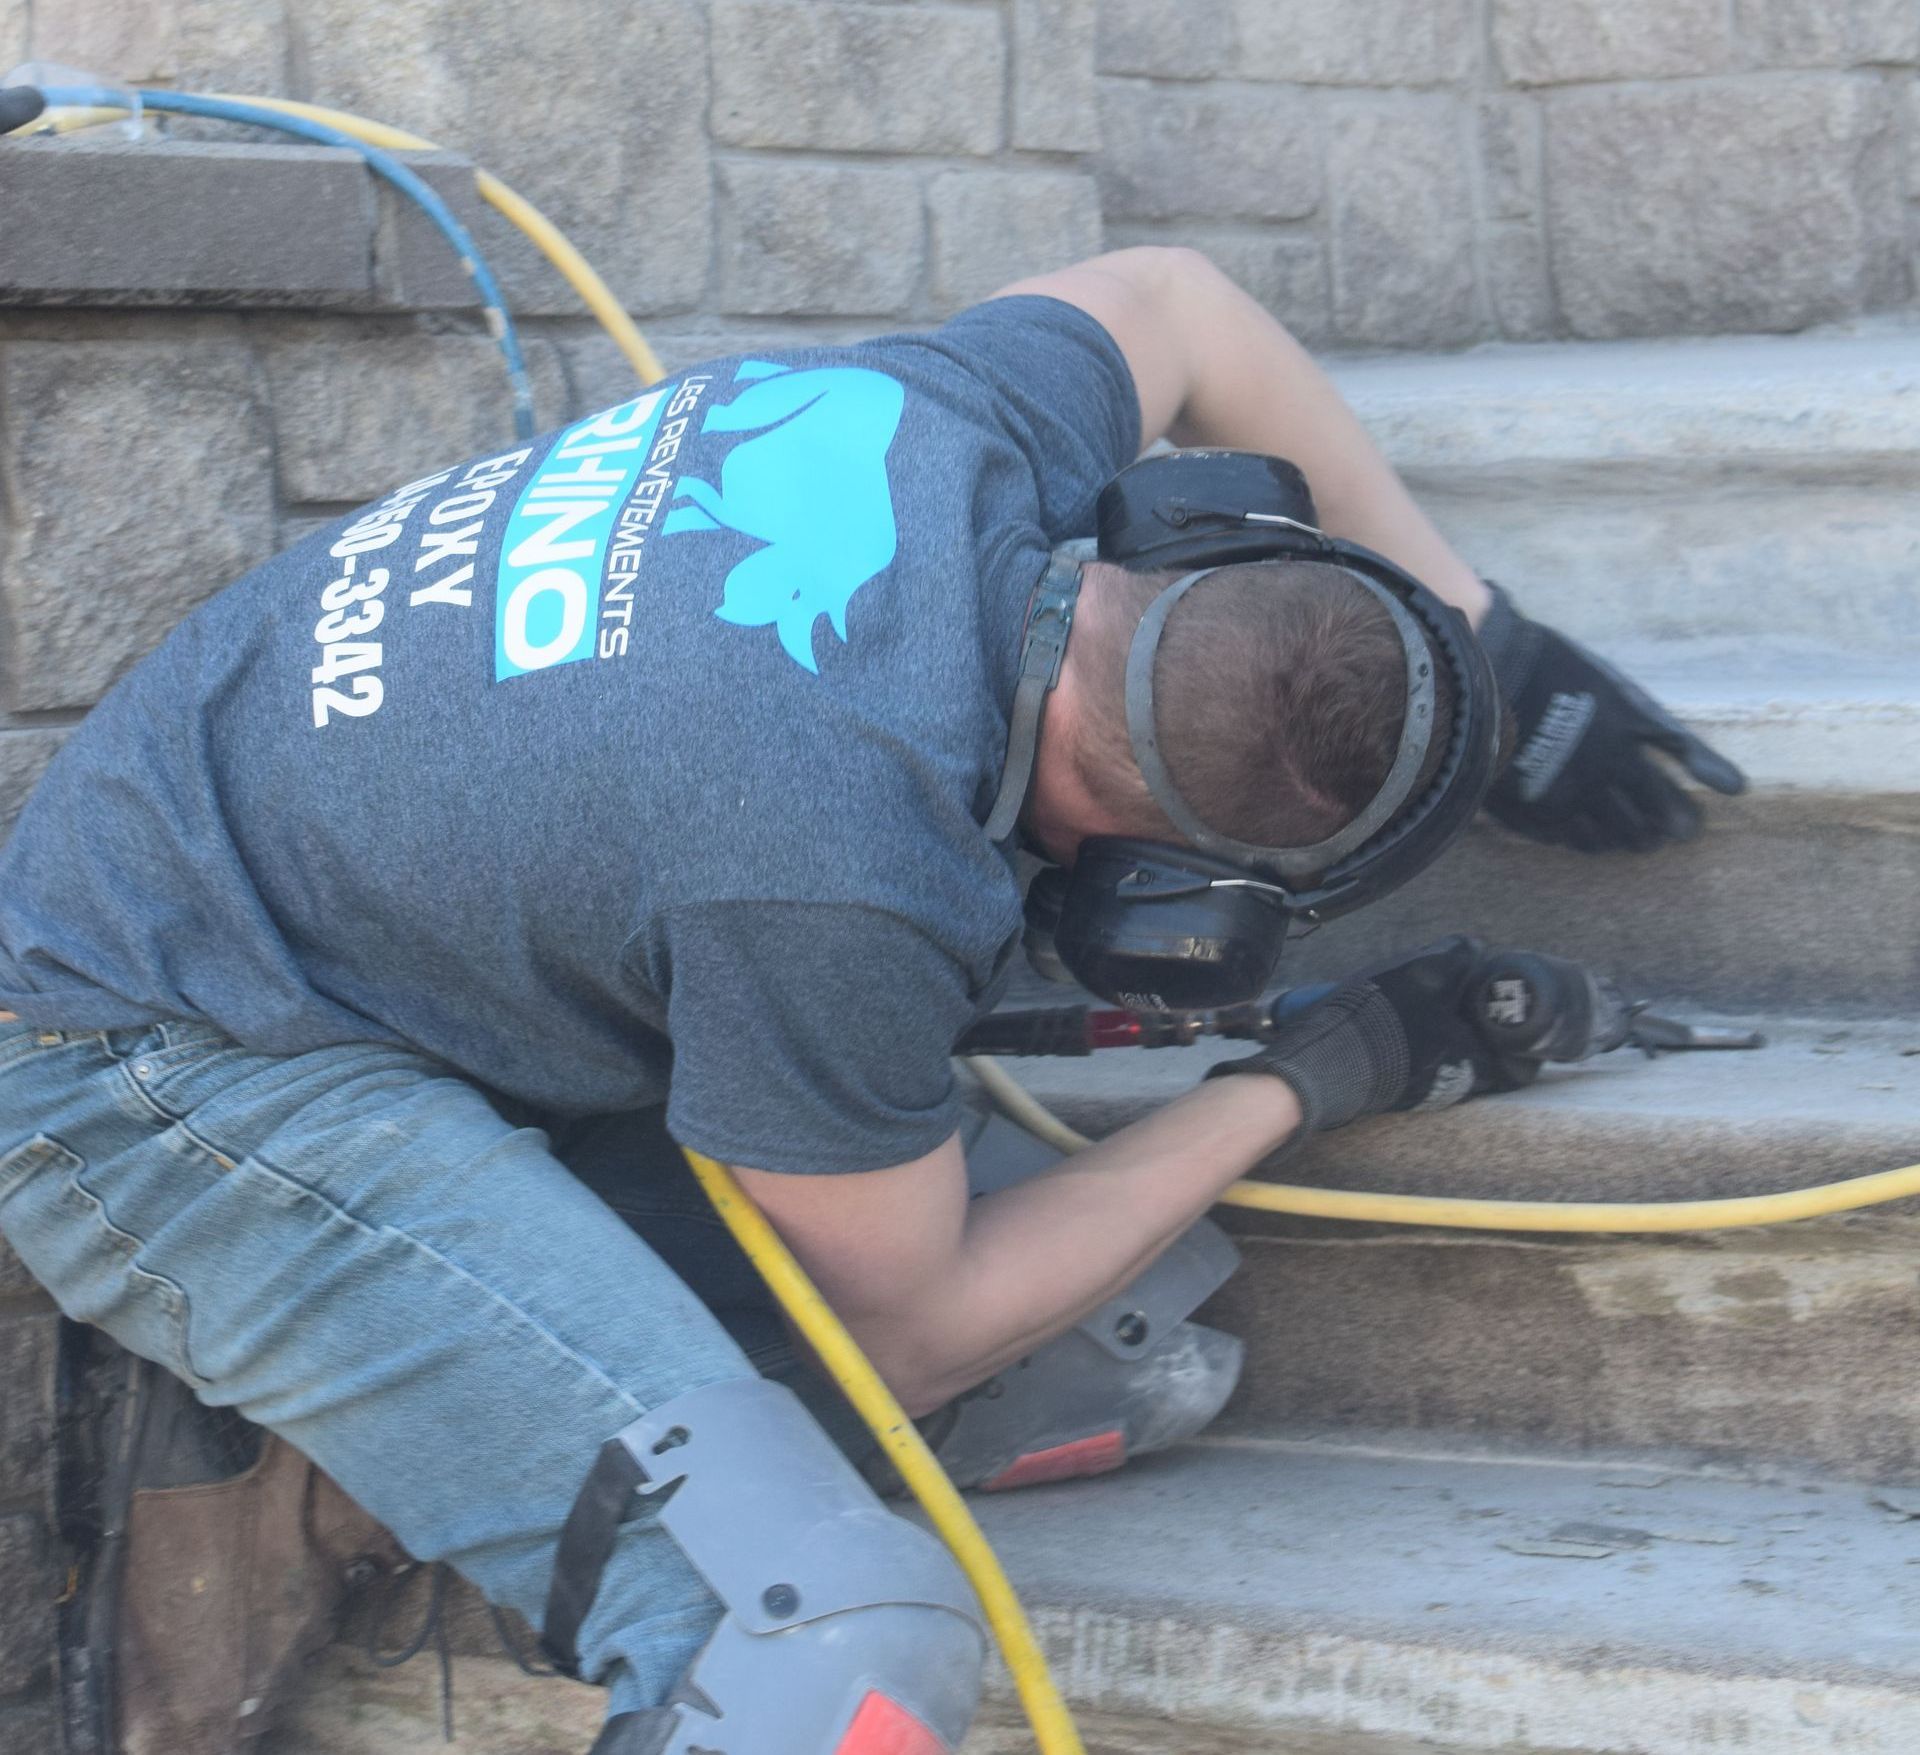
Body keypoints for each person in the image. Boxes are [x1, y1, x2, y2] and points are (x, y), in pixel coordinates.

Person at [0, 248, 1742, 1754]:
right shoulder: (839, 871)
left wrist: (1471, 633)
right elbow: (902, 1324)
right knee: (829, 1641)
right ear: (1171, 903)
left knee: (1106, 1361)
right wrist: (1326, 1068)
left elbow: (1182, 301)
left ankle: (413, 1408)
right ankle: (346, 1433)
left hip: (270, 846)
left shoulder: (964, 429)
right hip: (162, 1068)